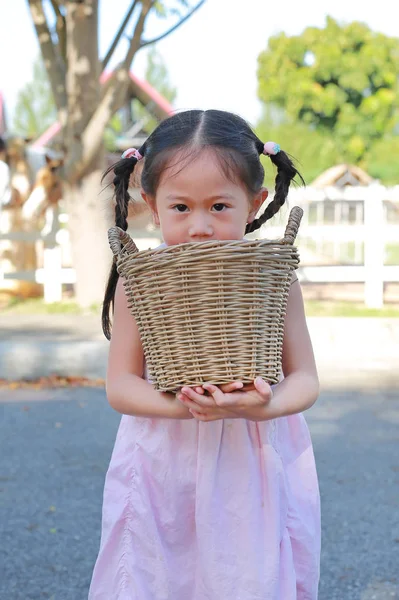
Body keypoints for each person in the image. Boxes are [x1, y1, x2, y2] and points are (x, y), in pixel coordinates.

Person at [89, 110, 320, 599]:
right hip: (162, 455)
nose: (200, 226)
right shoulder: (141, 285)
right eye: (180, 208)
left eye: (219, 206)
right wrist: (189, 407)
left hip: (250, 451)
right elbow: (122, 385)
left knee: (245, 569)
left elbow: (305, 379)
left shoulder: (273, 280)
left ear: (255, 202)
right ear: (151, 204)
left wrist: (264, 405)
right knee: (159, 567)